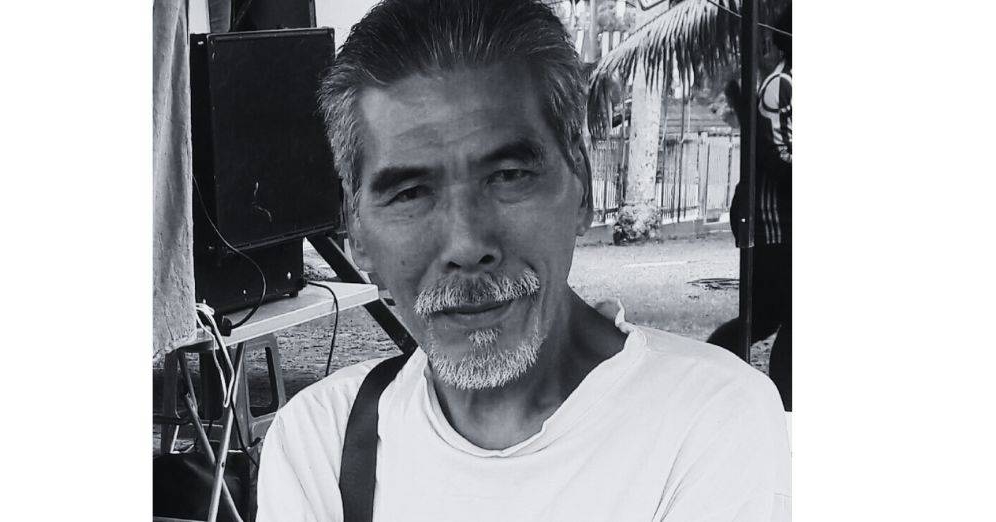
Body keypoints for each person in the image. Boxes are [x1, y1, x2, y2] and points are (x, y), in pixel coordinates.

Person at [257, 0, 790, 520]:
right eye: (410, 193)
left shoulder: (708, 421)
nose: (467, 245)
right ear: (356, 230)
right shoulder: (321, 444)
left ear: (582, 187)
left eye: (509, 176)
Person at [708, 6, 792, 412]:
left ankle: (784, 403)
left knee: (785, 318)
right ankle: (708, 371)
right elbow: (779, 158)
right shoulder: (782, 86)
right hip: (775, 225)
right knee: (766, 318)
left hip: (787, 223)